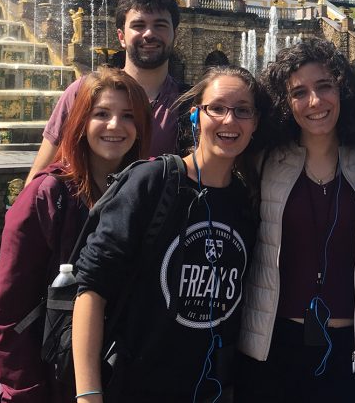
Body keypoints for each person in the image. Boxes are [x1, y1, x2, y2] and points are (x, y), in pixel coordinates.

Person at [72, 65, 269, 402]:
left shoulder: (247, 203)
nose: (229, 120)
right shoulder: (153, 182)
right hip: (136, 389)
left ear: (255, 123)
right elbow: (91, 289)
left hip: (213, 392)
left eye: (242, 111)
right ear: (196, 117)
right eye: (216, 108)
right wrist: (88, 394)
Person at [0, 68, 152, 403]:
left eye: (128, 116)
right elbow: (9, 314)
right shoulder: (46, 197)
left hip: (125, 377)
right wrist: (25, 393)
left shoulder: (147, 192)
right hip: (56, 382)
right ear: (80, 121)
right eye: (101, 114)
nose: (115, 126)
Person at [235, 37, 355, 403]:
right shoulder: (263, 160)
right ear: (285, 103)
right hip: (273, 343)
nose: (315, 102)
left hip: (351, 345)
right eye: (299, 92)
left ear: (343, 90)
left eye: (324, 87)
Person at [26, 0, 187, 184]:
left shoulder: (189, 104)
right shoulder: (83, 91)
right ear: (121, 37)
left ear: (175, 35)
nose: (149, 34)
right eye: (138, 25)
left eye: (160, 25)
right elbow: (38, 178)